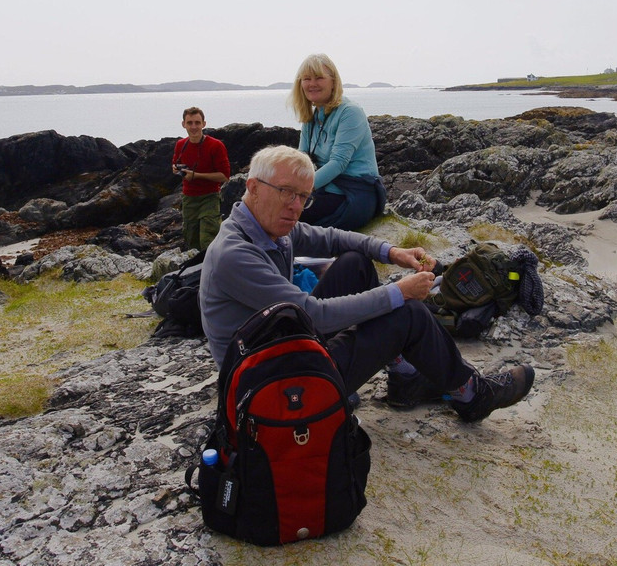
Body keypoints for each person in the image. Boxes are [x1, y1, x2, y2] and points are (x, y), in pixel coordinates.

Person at [200, 145, 535, 422]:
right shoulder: (235, 253)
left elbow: (333, 239)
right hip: (273, 386)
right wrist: (398, 292)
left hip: (283, 347)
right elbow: (313, 314)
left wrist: (392, 252)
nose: (296, 207)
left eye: (304, 197)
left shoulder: (269, 227)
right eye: (287, 192)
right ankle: (472, 394)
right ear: (254, 187)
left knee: (354, 264)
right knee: (408, 313)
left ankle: (404, 375)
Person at [290, 53, 385, 231]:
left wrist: (300, 191)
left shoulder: (350, 112)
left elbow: (338, 163)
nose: (312, 84)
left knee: (287, 218)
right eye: (306, 79)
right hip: (323, 190)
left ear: (333, 81)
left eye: (319, 78)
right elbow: (302, 159)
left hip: (353, 194)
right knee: (273, 209)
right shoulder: (311, 115)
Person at [172, 107, 230, 253]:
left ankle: (213, 272)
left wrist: (196, 175)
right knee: (192, 241)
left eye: (197, 123)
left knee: (208, 241)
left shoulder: (216, 145)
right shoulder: (180, 145)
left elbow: (224, 176)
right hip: (189, 199)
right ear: (183, 124)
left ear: (204, 124)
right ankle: (197, 274)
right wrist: (176, 169)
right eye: (189, 123)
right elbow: (175, 164)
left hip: (209, 198)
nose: (193, 127)